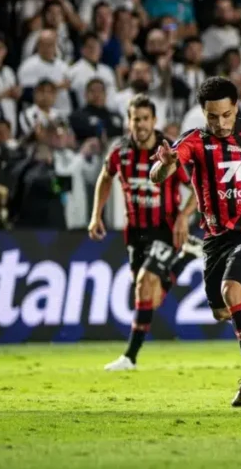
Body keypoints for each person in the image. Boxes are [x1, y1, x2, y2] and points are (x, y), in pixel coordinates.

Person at [150, 77, 241, 407]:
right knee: (220, 310)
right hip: (215, 238)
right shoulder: (194, 142)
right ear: (203, 113)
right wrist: (165, 164)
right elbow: (158, 173)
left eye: (226, 115)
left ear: (236, 108)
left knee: (232, 292)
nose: (220, 123)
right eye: (212, 116)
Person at [88, 94, 202, 371]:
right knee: (152, 296)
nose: (139, 124)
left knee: (144, 281)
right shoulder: (120, 152)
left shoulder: (169, 153)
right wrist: (96, 215)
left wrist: (184, 219)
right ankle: (186, 256)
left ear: (154, 121)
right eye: (134, 118)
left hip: (165, 228)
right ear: (128, 121)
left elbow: (198, 188)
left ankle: (129, 357)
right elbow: (105, 178)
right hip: (135, 231)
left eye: (144, 119)